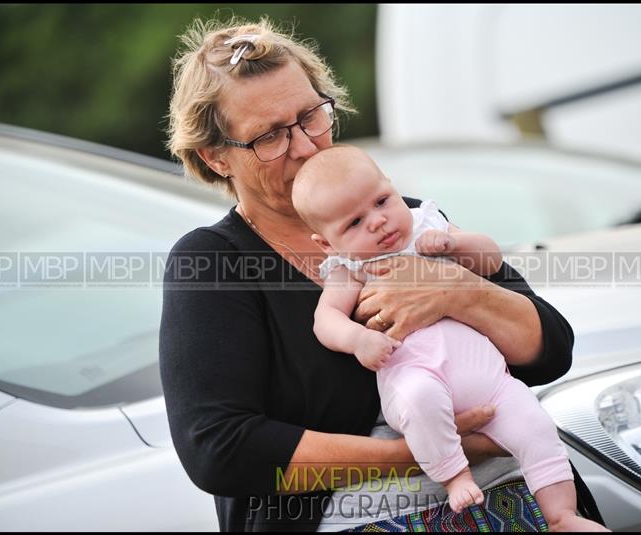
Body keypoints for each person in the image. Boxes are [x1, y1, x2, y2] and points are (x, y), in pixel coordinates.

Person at [160, 15, 597, 531]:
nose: (304, 146)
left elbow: (550, 352)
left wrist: (455, 290)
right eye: (270, 137)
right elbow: (220, 448)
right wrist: (427, 452)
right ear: (215, 159)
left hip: (520, 497)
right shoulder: (215, 263)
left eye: (310, 117)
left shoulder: (399, 217)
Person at [291, 145, 608, 531]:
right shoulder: (349, 268)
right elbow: (326, 320)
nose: (377, 222)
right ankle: (456, 476)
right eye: (354, 223)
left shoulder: (427, 224)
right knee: (421, 402)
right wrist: (357, 339)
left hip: (489, 378)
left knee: (533, 423)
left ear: (392, 187)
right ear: (326, 244)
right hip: (414, 374)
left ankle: (561, 515)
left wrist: (456, 245)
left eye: (381, 201)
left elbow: (490, 259)